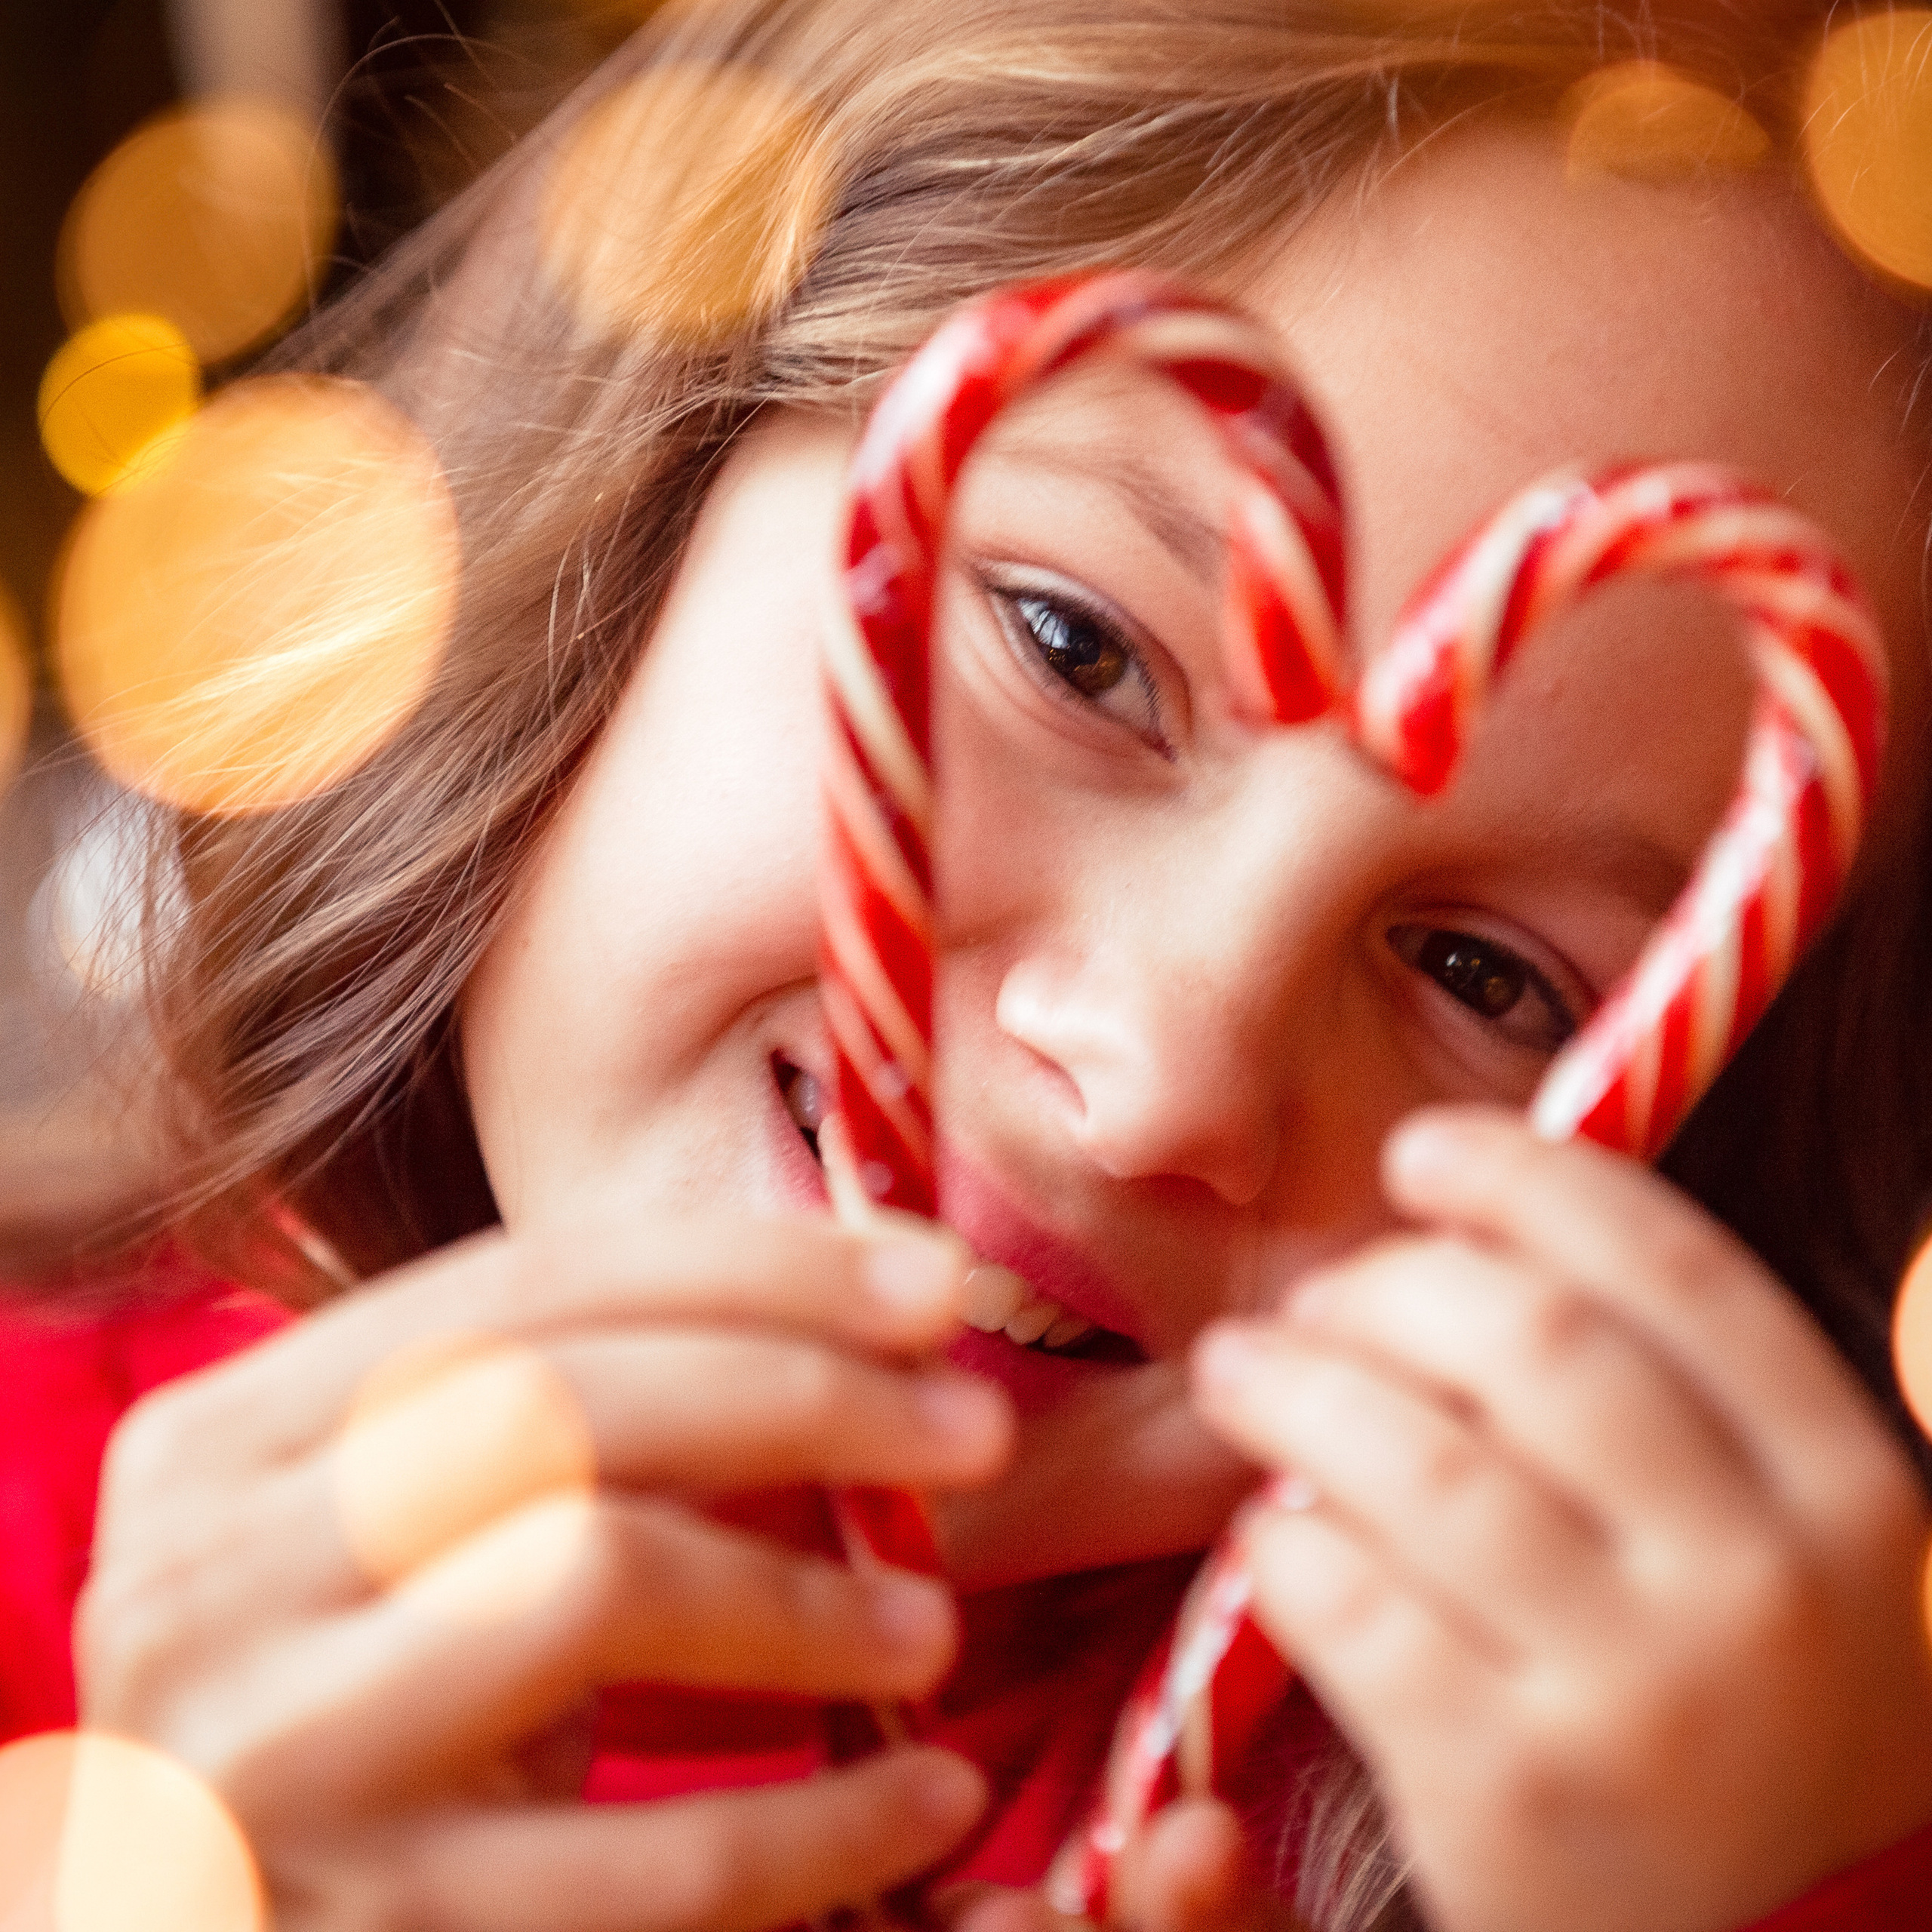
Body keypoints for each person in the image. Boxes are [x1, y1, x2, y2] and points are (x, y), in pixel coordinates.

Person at [7, 2, 1932, 1929]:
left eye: (1483, 973)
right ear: (643, 490)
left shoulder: (1674, 1857)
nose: (1167, 1061)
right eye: (1076, 649)